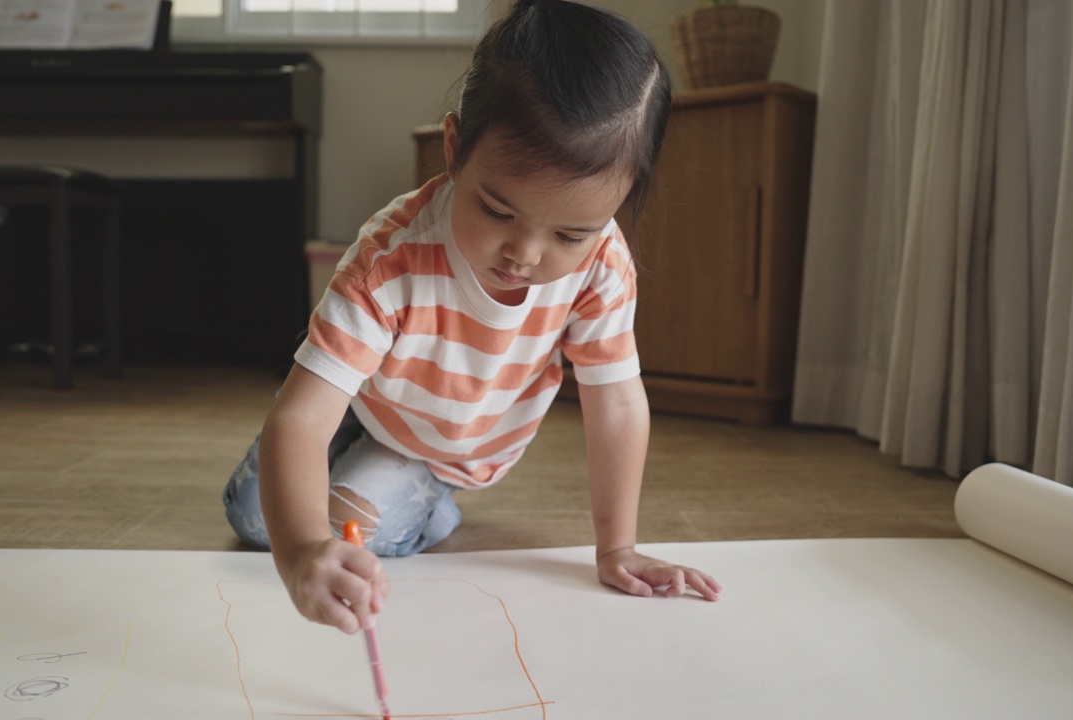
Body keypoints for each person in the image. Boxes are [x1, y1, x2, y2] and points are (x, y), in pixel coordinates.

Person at [222, 0, 722, 635]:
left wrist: (616, 549)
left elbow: (618, 402)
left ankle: (433, 503)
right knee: (257, 520)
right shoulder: (392, 258)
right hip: (368, 401)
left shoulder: (602, 267)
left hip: (447, 448)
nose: (525, 255)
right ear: (454, 150)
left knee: (339, 521)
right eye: (496, 210)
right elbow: (300, 416)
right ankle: (346, 467)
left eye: (571, 233)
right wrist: (299, 559)